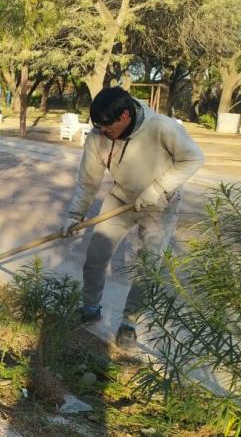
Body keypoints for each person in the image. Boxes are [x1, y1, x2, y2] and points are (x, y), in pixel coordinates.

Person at [60, 87, 204, 349]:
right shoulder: (97, 136)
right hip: (121, 198)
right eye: (99, 128)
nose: (103, 133)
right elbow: (88, 181)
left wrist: (158, 188)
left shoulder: (162, 128)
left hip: (161, 205)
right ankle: (90, 308)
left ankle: (129, 323)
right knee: (96, 256)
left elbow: (193, 158)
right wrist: (74, 214)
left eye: (107, 128)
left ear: (124, 115)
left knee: (147, 267)